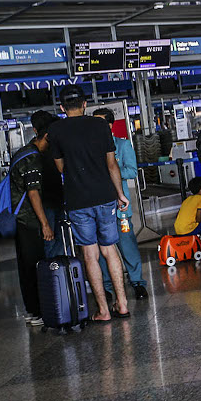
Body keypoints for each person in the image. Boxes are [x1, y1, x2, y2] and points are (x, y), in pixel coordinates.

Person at [50, 85, 130, 322]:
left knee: (90, 253)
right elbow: (112, 164)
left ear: (62, 107)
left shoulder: (56, 130)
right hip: (105, 196)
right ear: (85, 104)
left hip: (78, 200)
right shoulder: (98, 124)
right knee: (110, 249)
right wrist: (120, 194)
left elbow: (61, 167)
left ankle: (103, 311)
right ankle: (123, 304)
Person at [93, 108, 148, 301]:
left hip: (120, 208)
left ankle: (138, 283)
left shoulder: (123, 146)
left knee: (127, 245)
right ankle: (107, 287)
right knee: (102, 249)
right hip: (100, 207)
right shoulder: (91, 148)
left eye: (100, 123)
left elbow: (132, 171)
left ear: (110, 125)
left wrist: (111, 171)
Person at [8, 123, 56, 327]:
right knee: (35, 265)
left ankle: (31, 310)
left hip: (19, 218)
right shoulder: (33, 158)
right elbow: (33, 192)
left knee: (25, 267)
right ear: (45, 136)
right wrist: (45, 224)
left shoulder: (21, 152)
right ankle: (38, 311)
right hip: (29, 219)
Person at [29, 111, 65, 258]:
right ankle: (60, 272)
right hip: (60, 199)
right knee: (63, 238)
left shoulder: (31, 151)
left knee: (50, 239)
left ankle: (54, 273)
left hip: (45, 202)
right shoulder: (56, 147)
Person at [174, 177, 201, 260]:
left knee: (200, 227)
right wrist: (199, 225)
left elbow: (178, 214)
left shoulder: (187, 199)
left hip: (178, 228)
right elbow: (198, 218)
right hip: (188, 228)